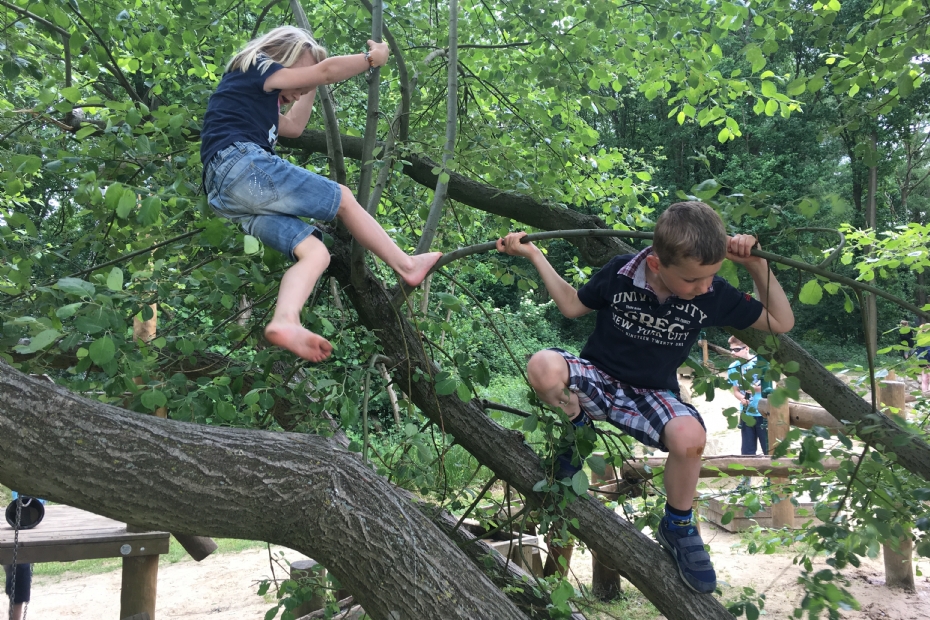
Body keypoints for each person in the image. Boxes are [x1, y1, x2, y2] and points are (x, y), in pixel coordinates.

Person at [496, 201, 794, 594]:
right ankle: (578, 428)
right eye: (693, 280)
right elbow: (571, 306)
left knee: (690, 438)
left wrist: (756, 265)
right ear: (656, 264)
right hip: (598, 380)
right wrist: (534, 253)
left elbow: (780, 322)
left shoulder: (711, 292)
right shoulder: (620, 274)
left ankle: (678, 524)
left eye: (711, 277)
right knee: (543, 366)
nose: (704, 287)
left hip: (653, 393)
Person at [201, 26, 441, 362]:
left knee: (316, 254)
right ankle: (406, 263)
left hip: (228, 197)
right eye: (300, 79)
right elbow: (326, 71)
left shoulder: (261, 103)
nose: (298, 92)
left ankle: (286, 320)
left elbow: (295, 127)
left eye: (304, 88)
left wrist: (311, 84)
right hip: (240, 164)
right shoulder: (256, 67)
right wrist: (372, 59)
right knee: (342, 197)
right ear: (279, 54)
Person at [727, 336, 769, 456]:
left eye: (736, 350)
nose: (733, 353)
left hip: (763, 412)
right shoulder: (733, 367)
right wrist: (741, 398)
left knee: (767, 447)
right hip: (746, 412)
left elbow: (773, 386)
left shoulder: (761, 363)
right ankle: (747, 473)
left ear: (746, 348)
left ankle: (772, 474)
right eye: (731, 350)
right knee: (747, 449)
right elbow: (735, 391)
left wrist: (754, 389)